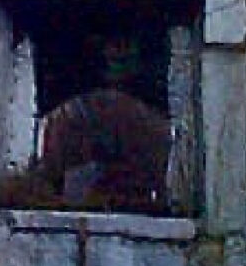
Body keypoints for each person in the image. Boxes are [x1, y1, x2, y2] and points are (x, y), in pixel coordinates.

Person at [38, 33, 172, 212]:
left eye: (124, 44)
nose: (116, 52)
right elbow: (46, 184)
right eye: (111, 44)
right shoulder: (68, 117)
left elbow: (162, 188)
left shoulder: (153, 126)